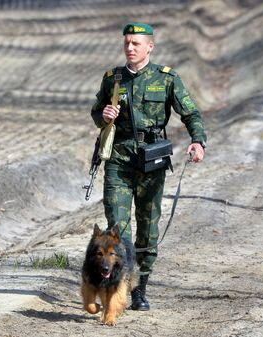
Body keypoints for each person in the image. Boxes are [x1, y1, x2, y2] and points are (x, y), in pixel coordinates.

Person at [90, 22, 207, 310]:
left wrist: (198, 140)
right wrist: (103, 114)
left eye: (136, 44)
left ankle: (140, 289)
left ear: (150, 47)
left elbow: (190, 112)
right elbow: (96, 112)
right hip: (119, 158)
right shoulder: (112, 79)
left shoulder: (167, 79)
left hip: (152, 160)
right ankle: (118, 288)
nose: (130, 48)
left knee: (148, 231)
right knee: (117, 228)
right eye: (127, 43)